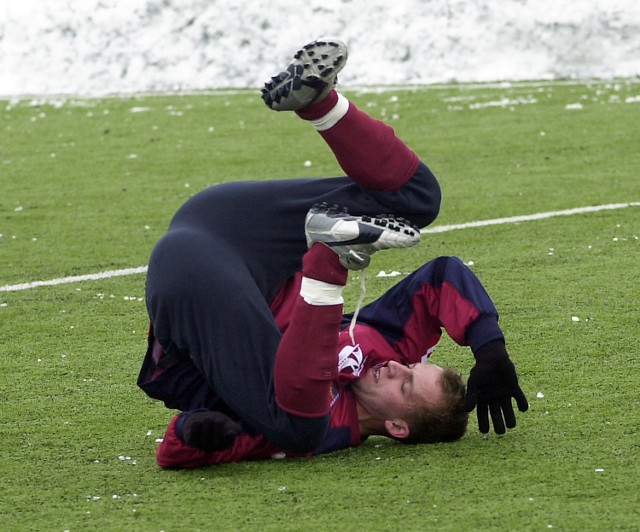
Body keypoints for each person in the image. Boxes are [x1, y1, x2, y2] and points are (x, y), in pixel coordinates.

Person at [137, 38, 528, 468]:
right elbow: (441, 278)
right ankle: (320, 102)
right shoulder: (385, 349)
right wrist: (489, 349)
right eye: (413, 365)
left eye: (407, 386)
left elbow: (173, 450)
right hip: (228, 225)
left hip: (198, 287)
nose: (397, 368)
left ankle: (329, 255)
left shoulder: (327, 429)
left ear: (398, 427)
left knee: (301, 426)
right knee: (416, 200)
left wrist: (200, 432)